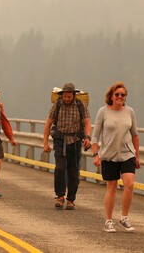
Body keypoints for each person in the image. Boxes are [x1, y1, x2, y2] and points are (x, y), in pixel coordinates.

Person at [91, 81, 140, 233]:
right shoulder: (103, 111)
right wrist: (95, 154)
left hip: (127, 154)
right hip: (109, 155)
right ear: (111, 96)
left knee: (129, 184)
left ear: (126, 97)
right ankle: (108, 220)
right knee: (111, 187)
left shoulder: (130, 111)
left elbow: (135, 135)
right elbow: (95, 136)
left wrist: (137, 155)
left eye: (123, 95)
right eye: (117, 94)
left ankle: (124, 218)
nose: (120, 97)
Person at [43, 82, 91, 210]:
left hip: (75, 141)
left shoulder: (81, 105)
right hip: (60, 140)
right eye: (65, 96)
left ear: (74, 95)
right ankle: (59, 196)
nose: (67, 99)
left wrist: (87, 137)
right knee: (60, 168)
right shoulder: (57, 105)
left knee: (73, 171)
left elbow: (87, 123)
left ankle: (71, 199)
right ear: (62, 95)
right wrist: (45, 142)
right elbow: (48, 123)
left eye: (69, 96)